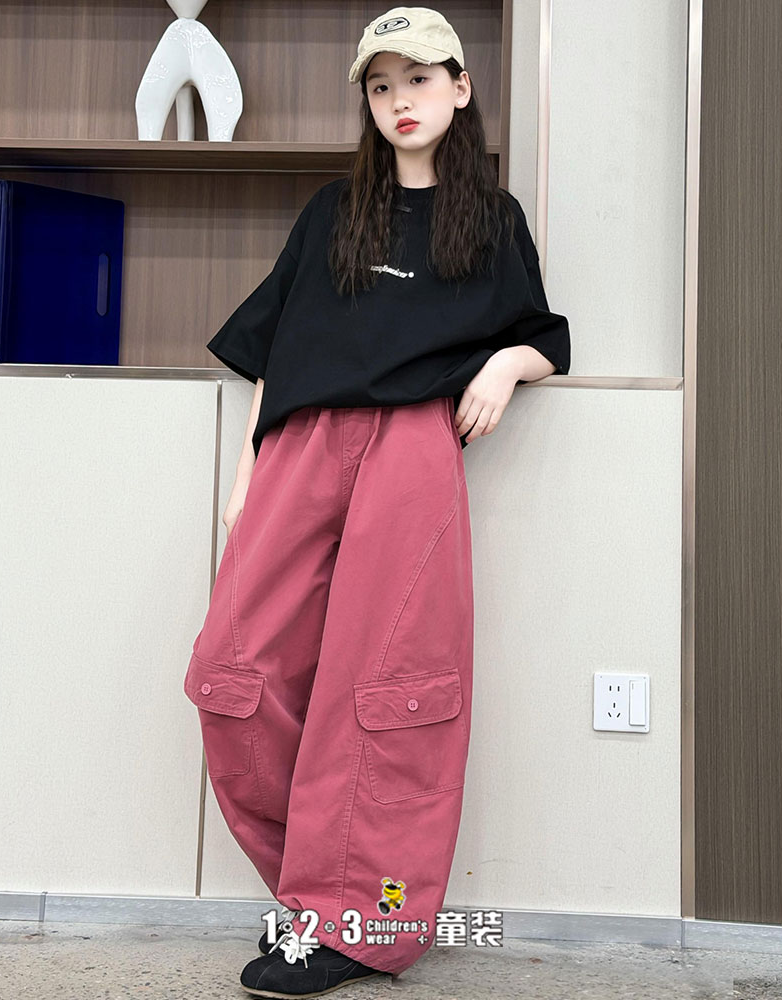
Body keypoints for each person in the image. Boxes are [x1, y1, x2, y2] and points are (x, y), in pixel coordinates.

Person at [182, 7, 571, 997]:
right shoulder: (331, 213)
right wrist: (247, 478)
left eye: (419, 79)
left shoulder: (492, 220)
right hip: (300, 447)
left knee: (388, 687)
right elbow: (275, 351)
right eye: (382, 85)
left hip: (410, 449)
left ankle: (355, 924)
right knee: (230, 673)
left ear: (460, 88)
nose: (401, 100)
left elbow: (544, 334)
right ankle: (316, 889)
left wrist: (504, 366)